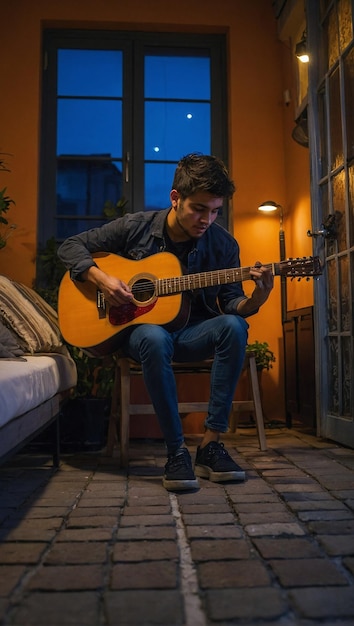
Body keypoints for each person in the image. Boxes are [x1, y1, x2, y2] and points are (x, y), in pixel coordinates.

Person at [58, 153, 274, 491]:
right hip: (139, 336)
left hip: (192, 334)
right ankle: (176, 452)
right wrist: (101, 279)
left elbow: (231, 302)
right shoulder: (136, 226)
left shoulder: (223, 244)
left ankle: (210, 444)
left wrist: (257, 298)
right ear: (176, 198)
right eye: (199, 209)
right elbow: (71, 246)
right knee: (153, 336)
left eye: (215, 211)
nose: (207, 219)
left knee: (234, 326)